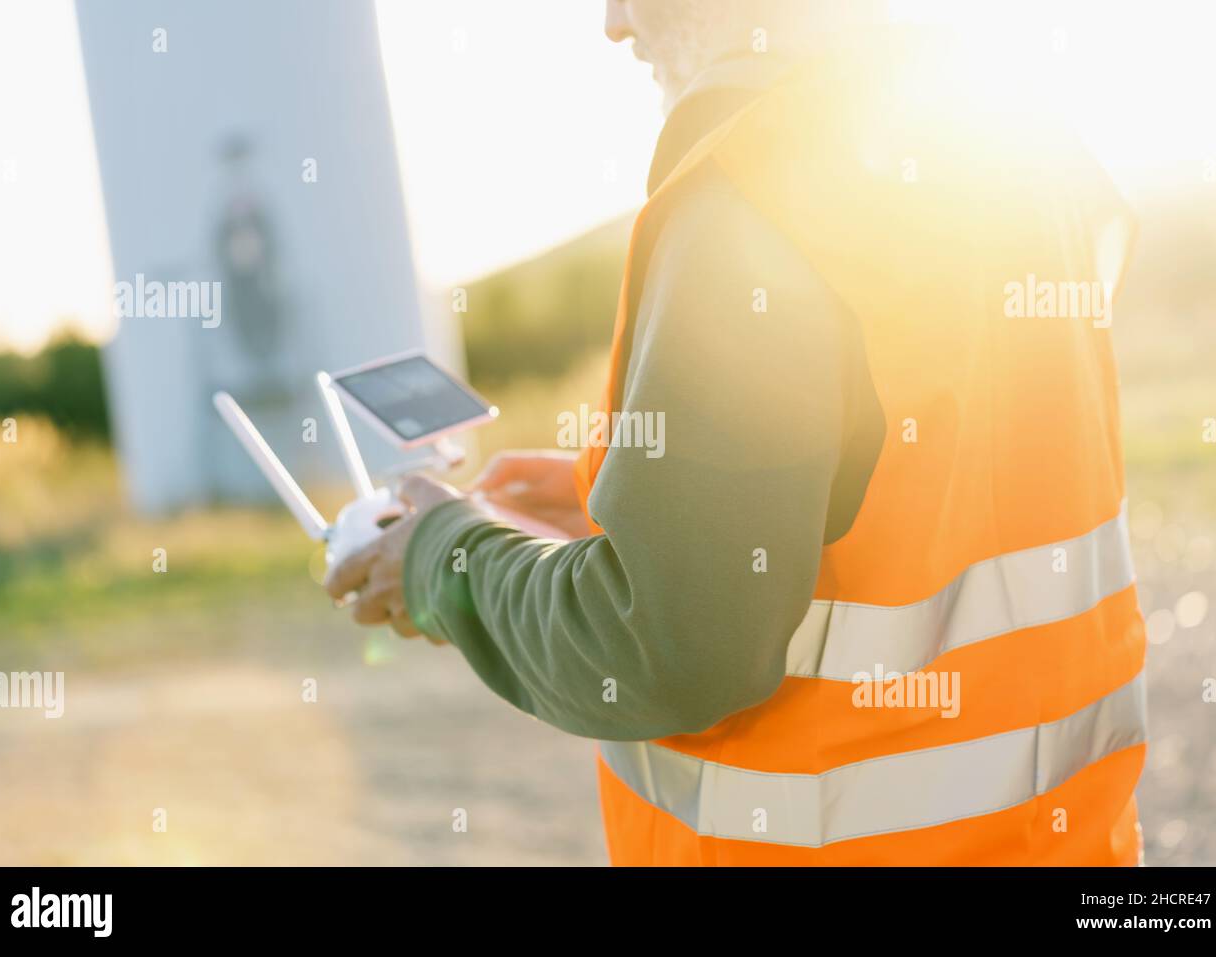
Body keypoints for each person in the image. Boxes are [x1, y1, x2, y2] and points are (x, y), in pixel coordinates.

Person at [326, 0, 1148, 866]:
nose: (615, 25)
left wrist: (445, 554)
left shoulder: (748, 200)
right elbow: (933, 478)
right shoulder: (1024, 153)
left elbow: (661, 650)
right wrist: (627, 498)